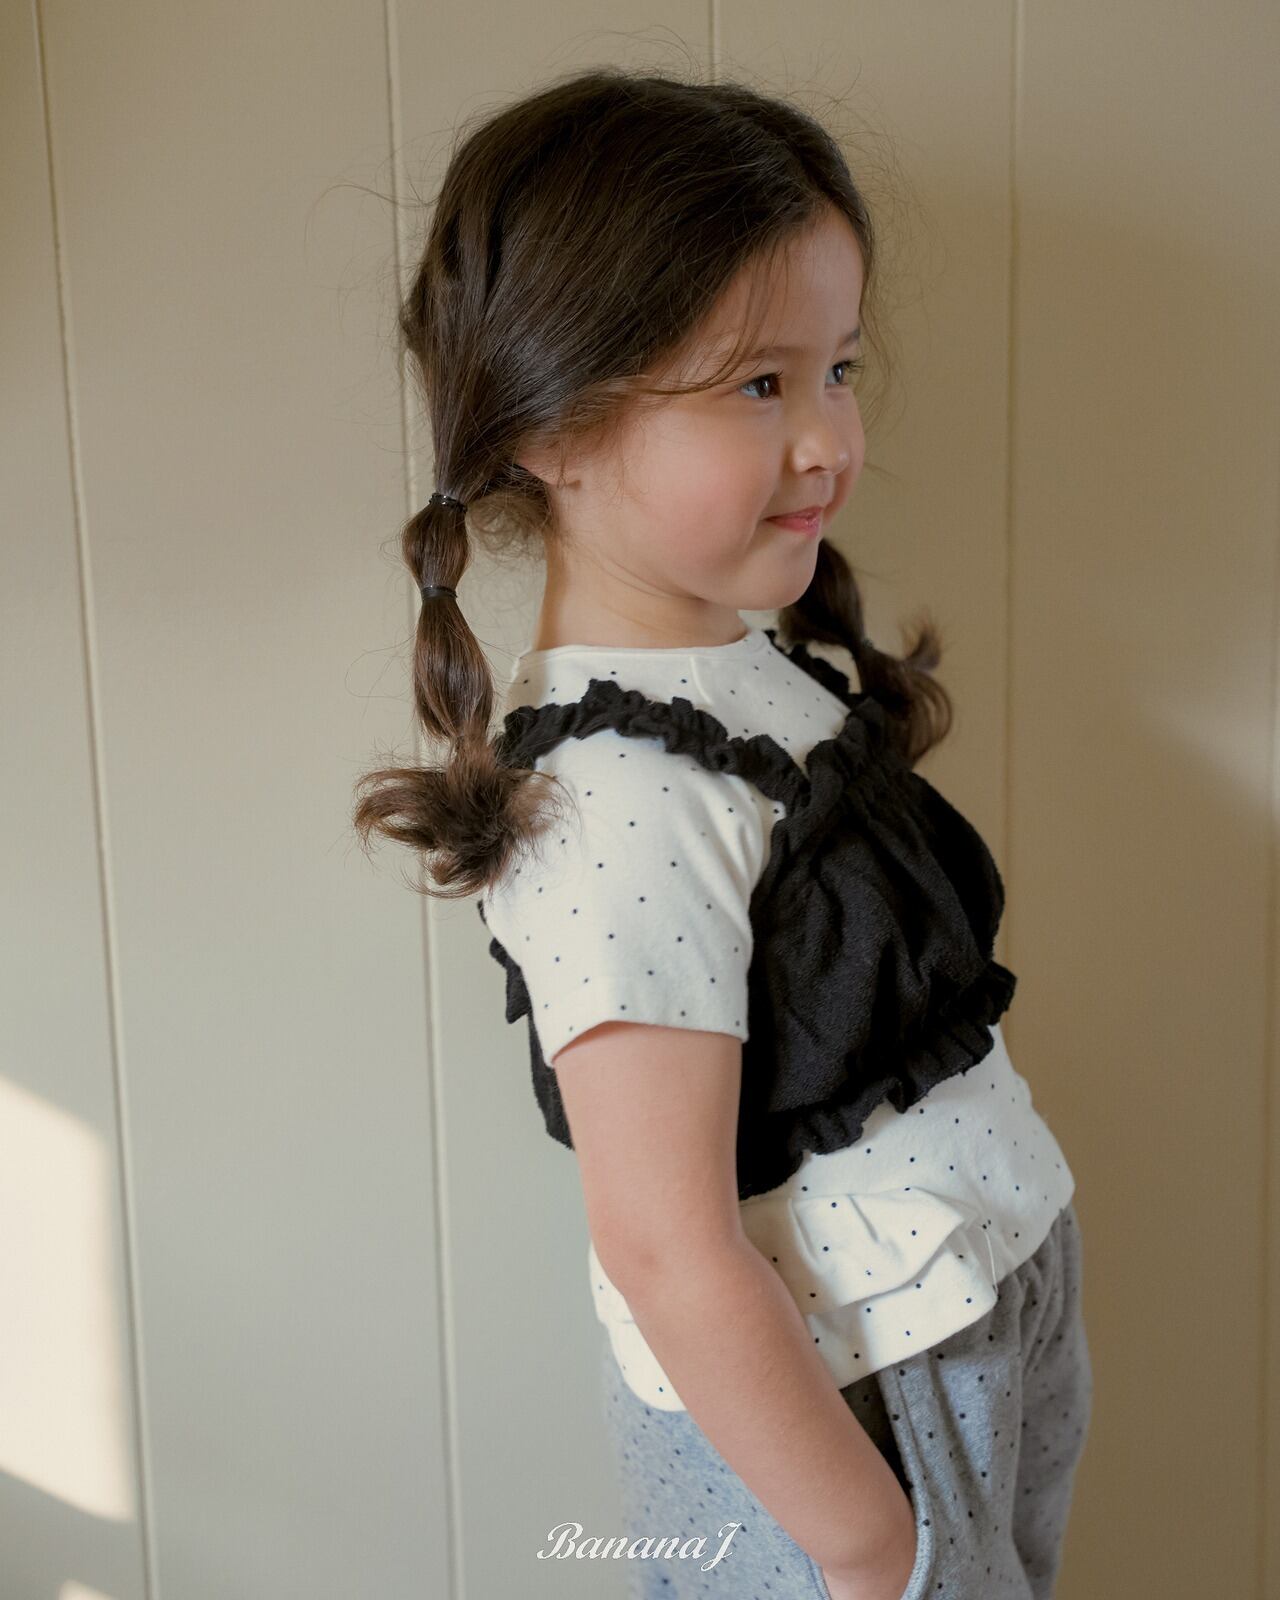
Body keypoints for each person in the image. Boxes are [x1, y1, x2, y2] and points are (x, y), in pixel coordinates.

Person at [352, 66, 1092, 1600]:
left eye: (839, 369)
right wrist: (869, 1546)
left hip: (966, 1315)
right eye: (761, 385)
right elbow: (669, 1245)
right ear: (553, 427)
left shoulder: (744, 670)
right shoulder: (610, 800)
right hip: (847, 1419)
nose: (828, 439)